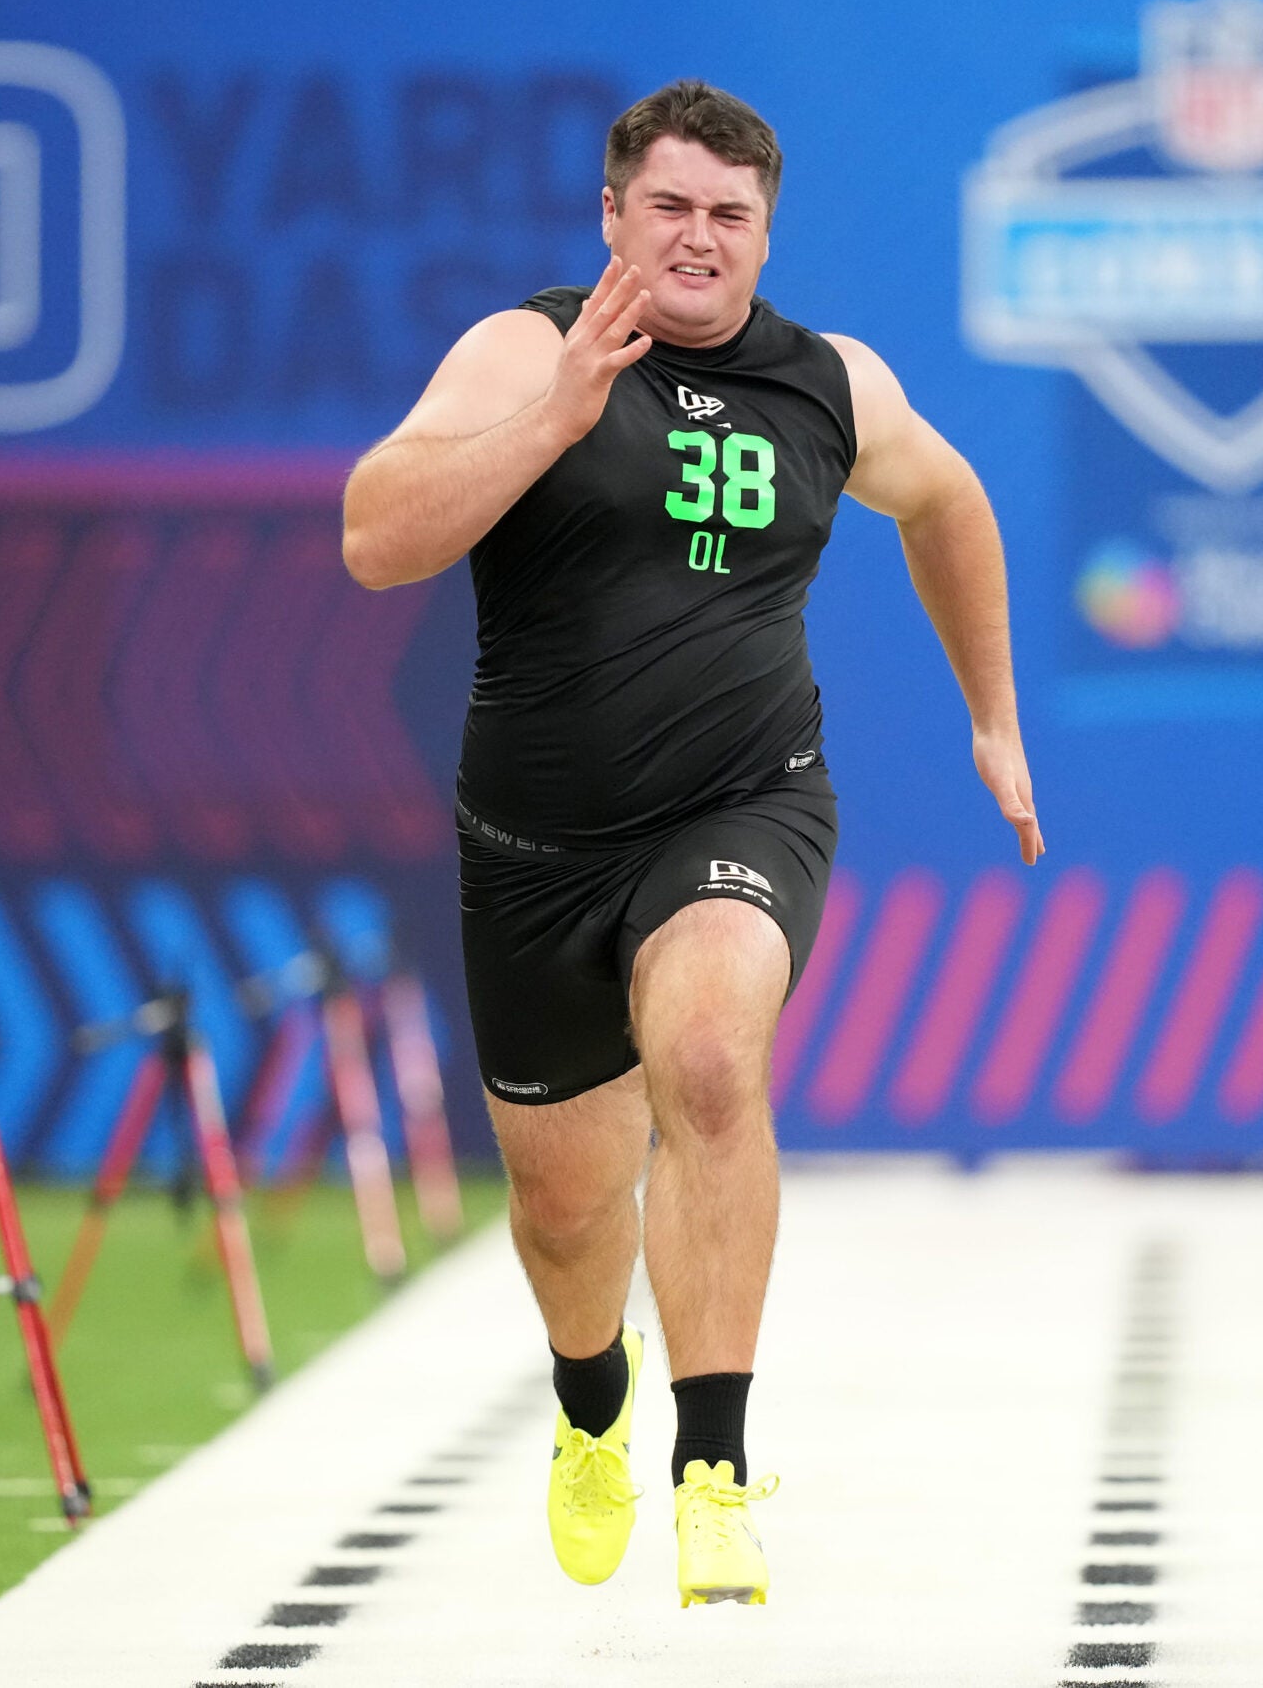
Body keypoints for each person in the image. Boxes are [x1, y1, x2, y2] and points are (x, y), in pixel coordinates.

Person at [340, 79, 1041, 1606]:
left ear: (766, 232)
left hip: (744, 800)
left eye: (730, 216)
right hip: (534, 847)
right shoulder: (527, 348)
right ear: (613, 217)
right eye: (670, 208)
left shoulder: (829, 384)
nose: (699, 239)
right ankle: (591, 1403)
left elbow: (950, 503)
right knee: (564, 1211)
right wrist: (555, 417)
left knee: (715, 1058)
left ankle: (711, 1464)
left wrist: (991, 712)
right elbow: (376, 536)